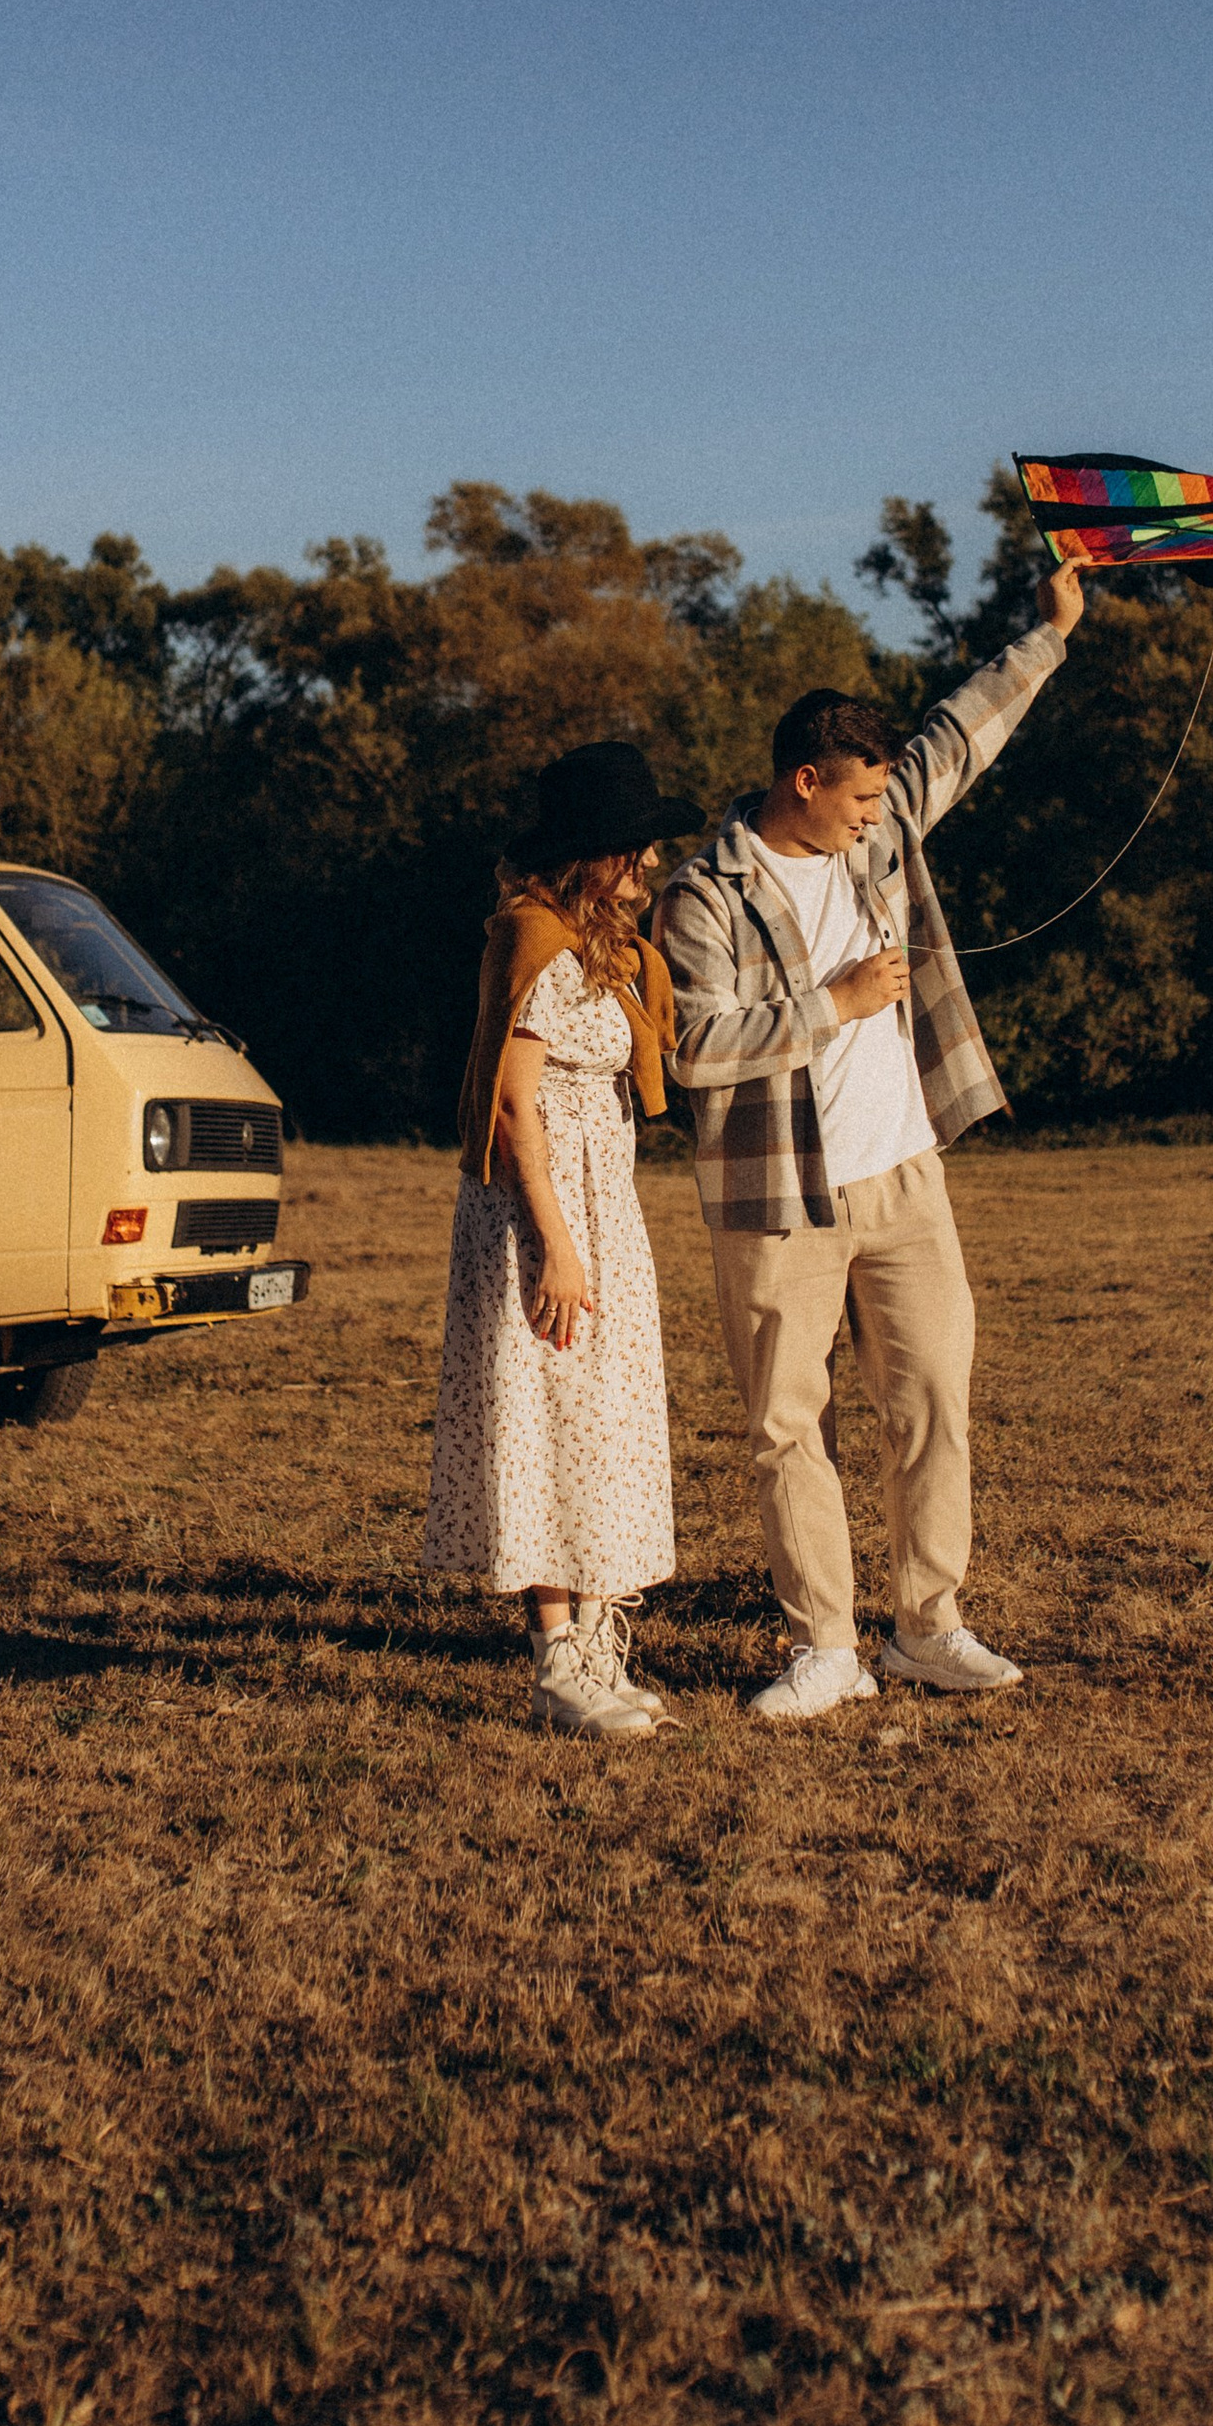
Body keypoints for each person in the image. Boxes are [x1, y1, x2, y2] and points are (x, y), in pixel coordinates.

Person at [653, 555, 1090, 1721]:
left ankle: (928, 1627)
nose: (872, 818)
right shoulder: (705, 894)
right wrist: (832, 1005)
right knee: (788, 1424)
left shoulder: (882, 819)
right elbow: (691, 1047)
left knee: (934, 1400)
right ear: (802, 782)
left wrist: (1046, 635)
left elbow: (960, 737)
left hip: (905, 1178)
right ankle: (825, 1648)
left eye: (877, 801)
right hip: (776, 1198)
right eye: (853, 800)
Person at [423, 737, 703, 1740]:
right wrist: (557, 1244)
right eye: (634, 852)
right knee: (546, 1416)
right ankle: (558, 1658)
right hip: (537, 1211)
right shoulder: (530, 939)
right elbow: (511, 1104)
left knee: (606, 1416)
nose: (648, 868)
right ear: (589, 855)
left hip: (601, 1202)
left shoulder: (608, 952)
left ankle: (599, 1633)